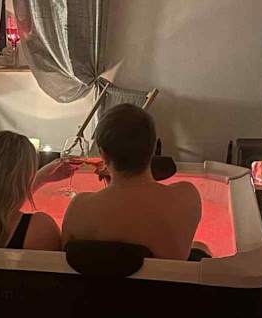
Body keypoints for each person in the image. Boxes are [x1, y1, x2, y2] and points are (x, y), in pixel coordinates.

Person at [62, 104, 202, 260]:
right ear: (153, 148)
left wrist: (113, 184)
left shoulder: (79, 209)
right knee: (200, 246)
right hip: (169, 277)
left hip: (96, 276)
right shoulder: (186, 197)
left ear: (103, 155)